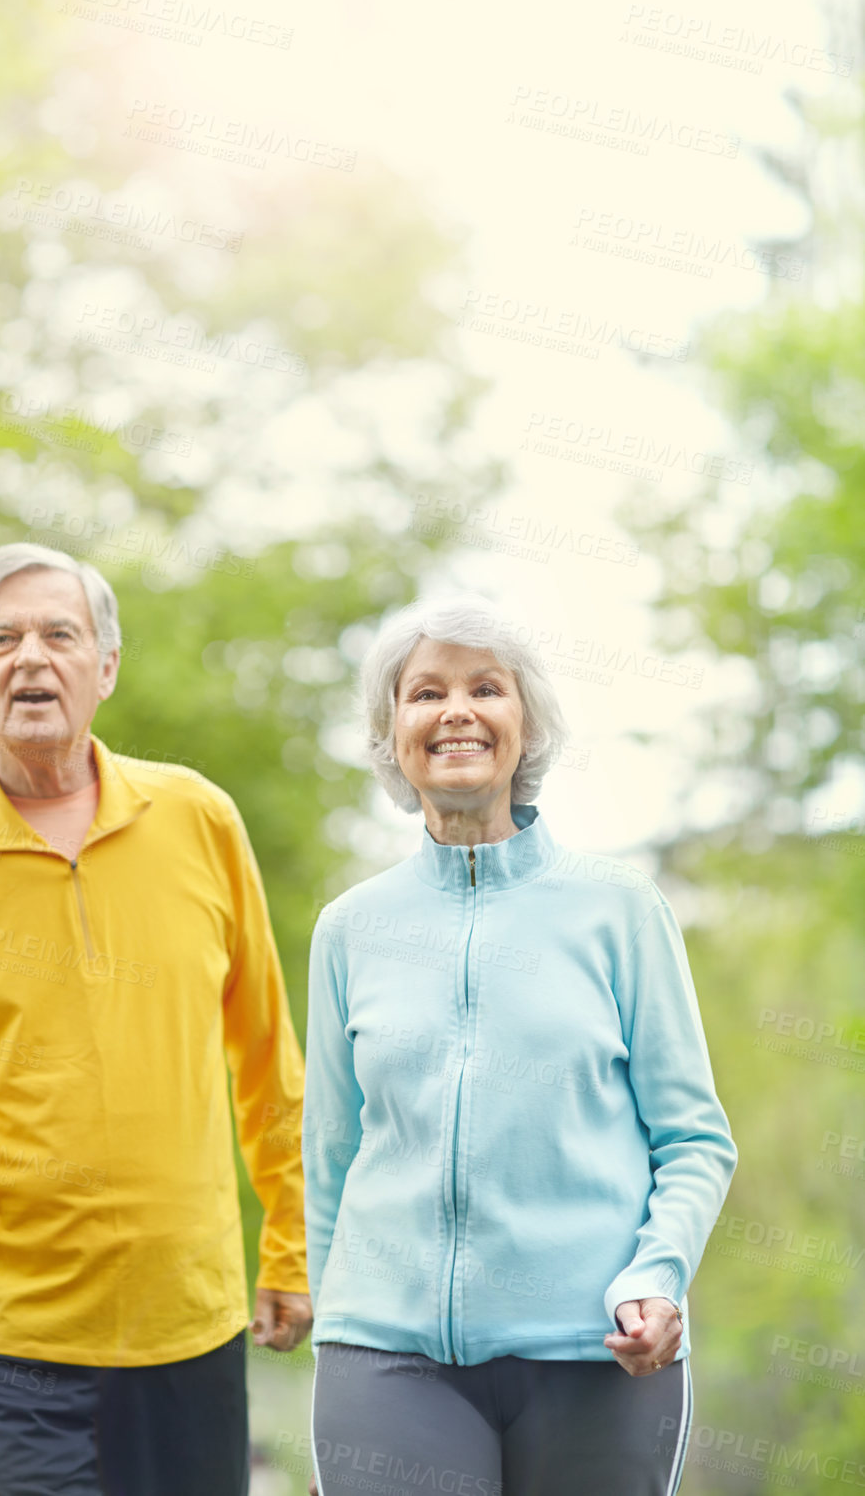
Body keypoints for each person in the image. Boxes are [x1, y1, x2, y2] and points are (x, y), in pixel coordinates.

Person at [0, 542, 312, 1496]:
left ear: (104, 667)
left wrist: (292, 1239)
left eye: (58, 634)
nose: (30, 657)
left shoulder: (198, 818)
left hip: (189, 1325)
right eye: (2, 638)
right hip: (10, 1338)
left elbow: (266, 1056)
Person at [303, 597, 737, 1496]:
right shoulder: (350, 929)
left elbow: (694, 1141)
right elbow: (330, 1155)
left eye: (485, 688)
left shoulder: (620, 911)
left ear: (525, 722)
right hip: (388, 1360)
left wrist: (656, 1277)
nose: (456, 711)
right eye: (426, 692)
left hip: (597, 1355)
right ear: (394, 732)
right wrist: (337, 1327)